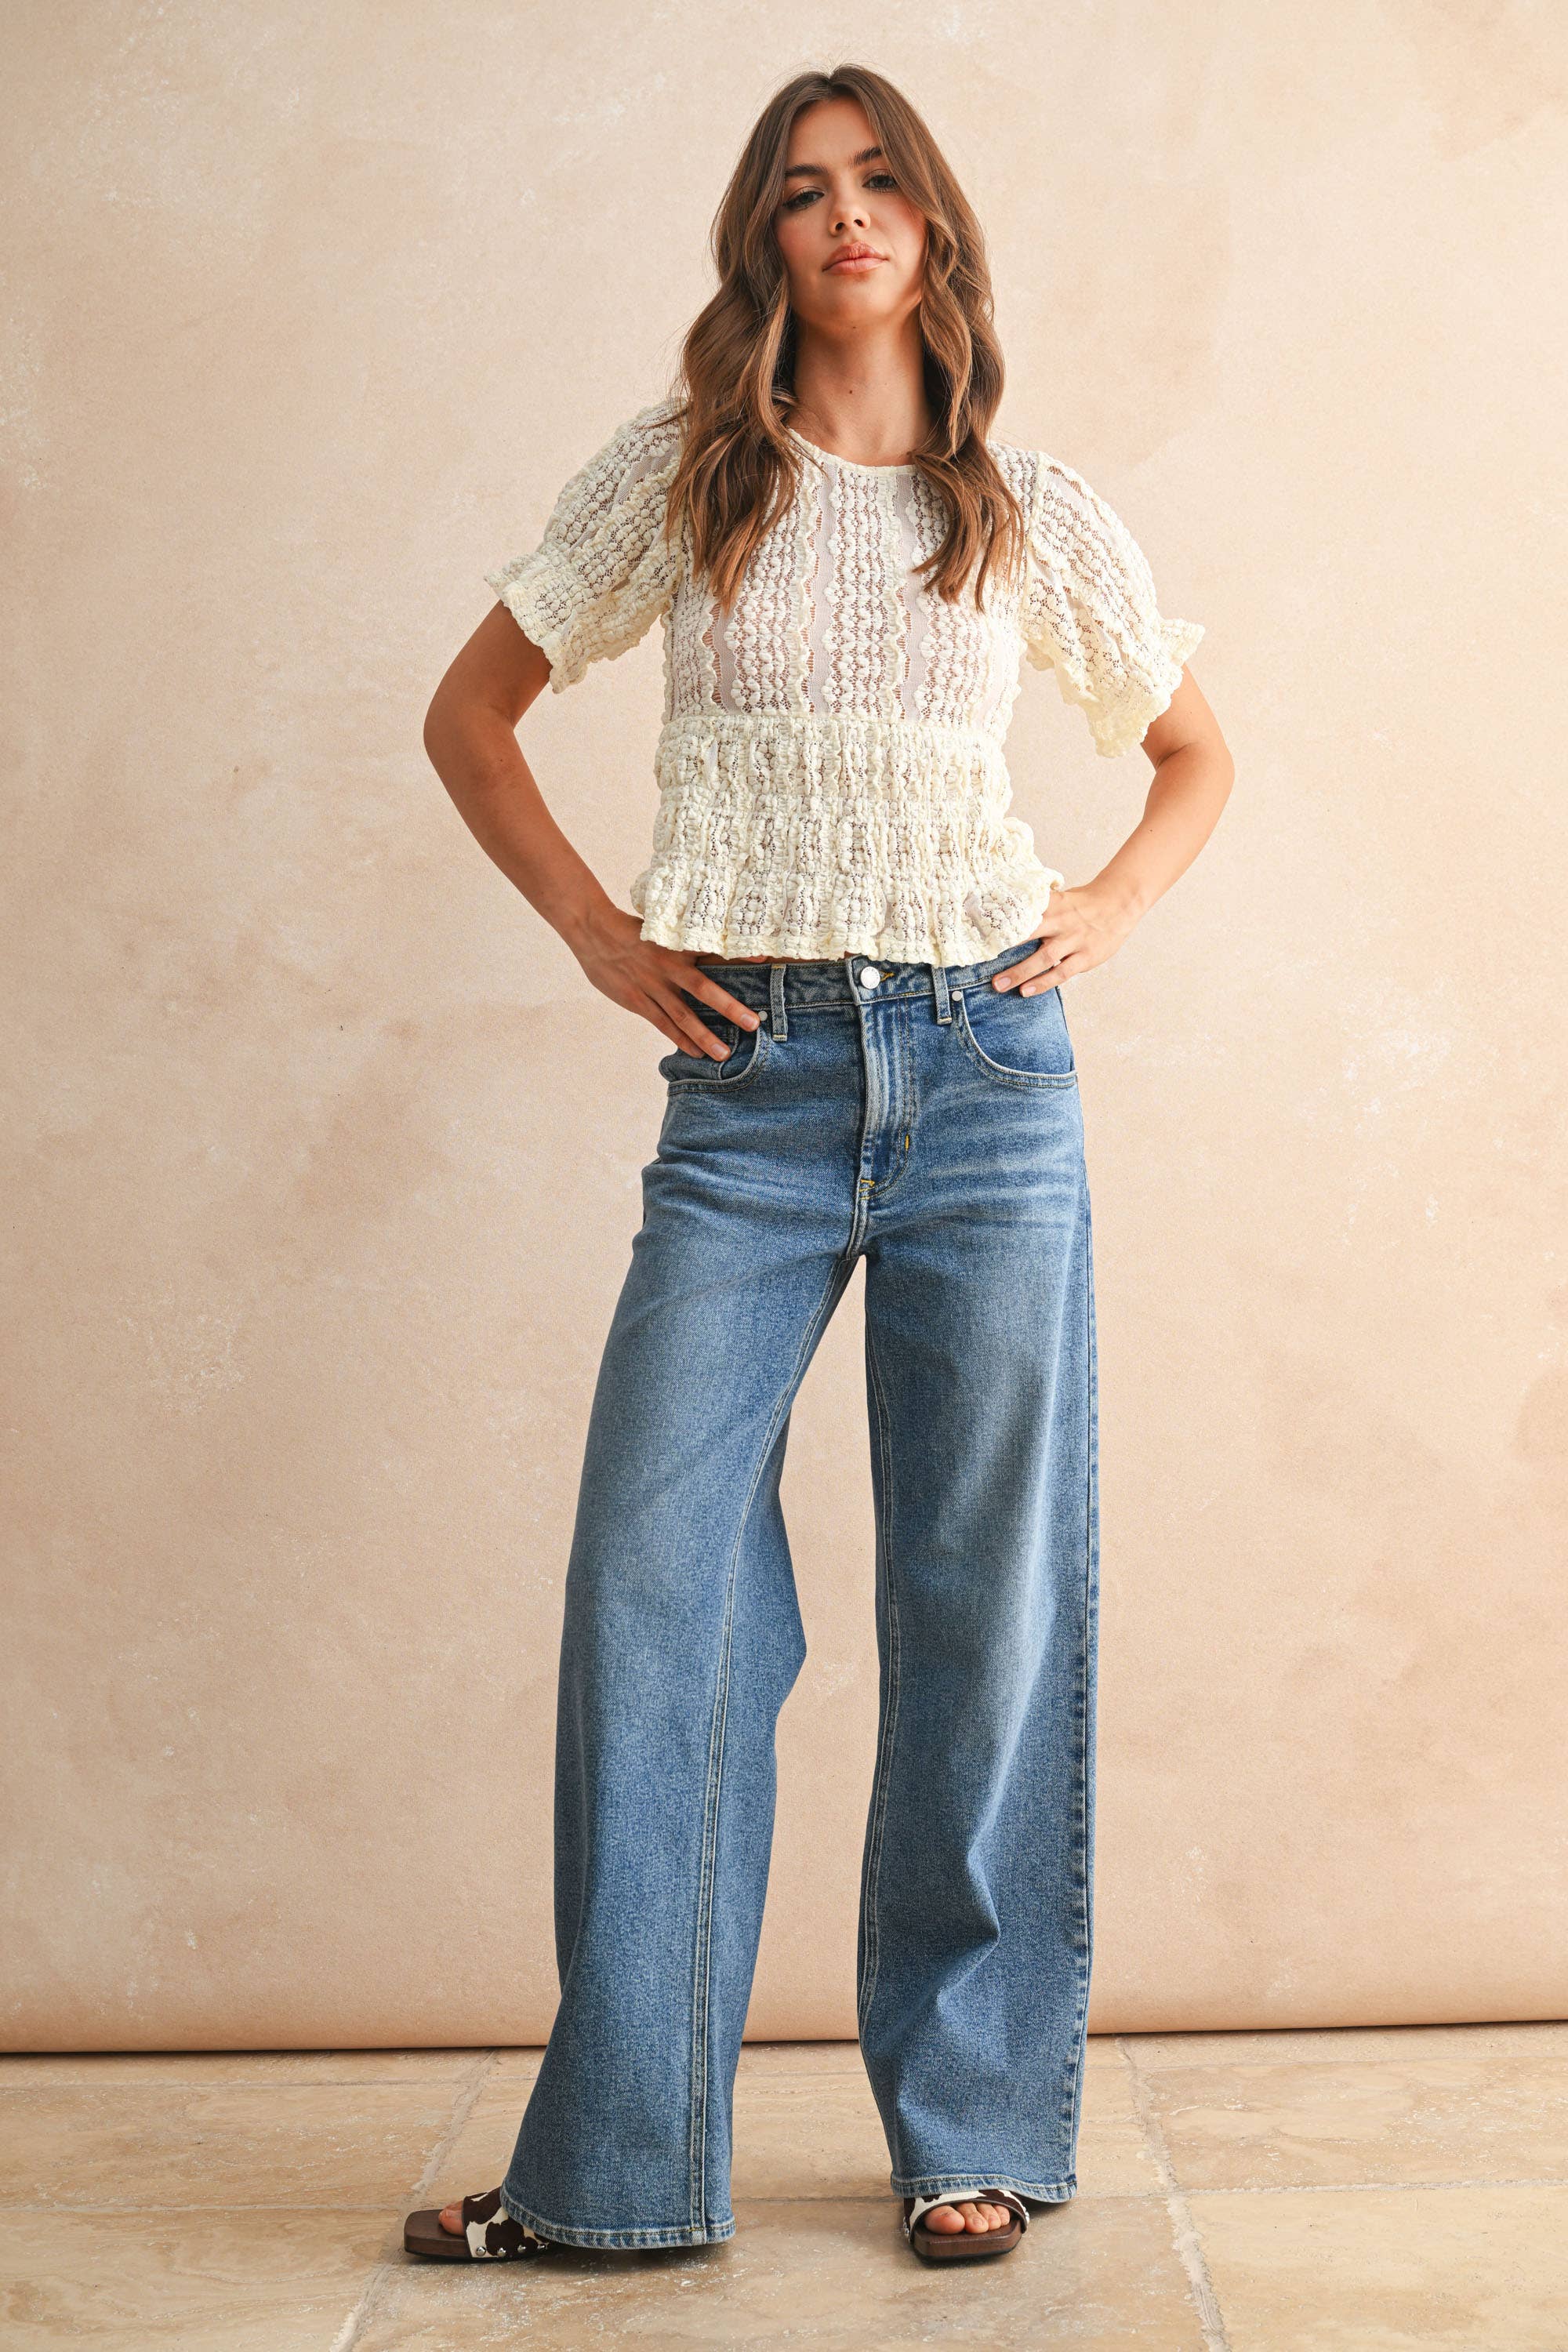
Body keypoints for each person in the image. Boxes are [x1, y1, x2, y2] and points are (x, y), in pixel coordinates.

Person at [408, 61, 1232, 2272]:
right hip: (750, 1085)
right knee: (653, 1586)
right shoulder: (685, 479)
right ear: (762, 241)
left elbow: (1190, 753)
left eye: (879, 182)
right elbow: (469, 714)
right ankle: (617, 2171)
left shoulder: (1029, 512)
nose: (846, 213)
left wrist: (1105, 909)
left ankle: (973, 2130)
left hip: (987, 1076)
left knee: (984, 1599)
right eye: (802, 190)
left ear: (932, 228)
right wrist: (601, 936)